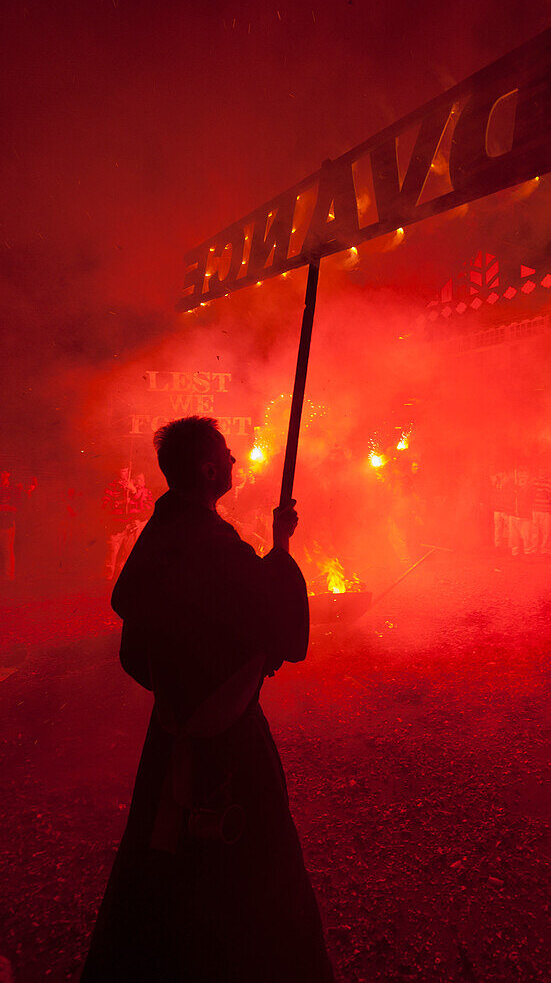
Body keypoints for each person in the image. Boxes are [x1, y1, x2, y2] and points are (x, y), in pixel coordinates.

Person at [81, 416, 334, 982]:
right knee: (252, 876)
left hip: (171, 733)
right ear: (207, 467)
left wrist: (180, 682)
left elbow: (135, 643)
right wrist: (282, 546)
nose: (236, 460)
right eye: (227, 451)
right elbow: (285, 635)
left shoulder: (161, 534)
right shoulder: (212, 546)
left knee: (161, 871)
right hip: (226, 743)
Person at [0, 468, 37, 582]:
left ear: (8, 474)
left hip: (7, 523)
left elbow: (17, 507)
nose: (2, 475)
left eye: (4, 473)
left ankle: (8, 576)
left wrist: (5, 508)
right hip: (5, 520)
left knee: (7, 550)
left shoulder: (13, 489)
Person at [102, 466, 137, 580]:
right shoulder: (111, 487)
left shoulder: (132, 485)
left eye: (127, 471)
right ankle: (107, 579)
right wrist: (121, 502)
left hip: (130, 525)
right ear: (118, 472)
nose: (126, 473)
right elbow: (105, 506)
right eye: (123, 471)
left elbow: (140, 504)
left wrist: (133, 491)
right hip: (116, 525)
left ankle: (122, 577)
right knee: (112, 553)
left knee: (127, 553)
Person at [530, 467, 551, 556]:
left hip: (547, 511)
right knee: (534, 532)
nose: (542, 470)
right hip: (535, 510)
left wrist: (548, 494)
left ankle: (545, 551)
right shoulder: (533, 481)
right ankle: (533, 550)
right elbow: (529, 495)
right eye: (540, 468)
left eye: (544, 469)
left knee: (546, 533)